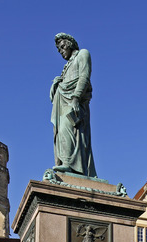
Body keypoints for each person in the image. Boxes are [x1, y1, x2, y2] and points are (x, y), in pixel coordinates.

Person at [50, 33, 97, 177]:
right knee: (60, 134)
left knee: (67, 128)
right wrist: (56, 84)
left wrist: (76, 97)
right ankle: (67, 164)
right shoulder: (66, 67)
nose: (61, 51)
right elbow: (54, 96)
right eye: (59, 50)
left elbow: (84, 76)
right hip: (63, 104)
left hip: (75, 103)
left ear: (69, 44)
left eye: (62, 47)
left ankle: (70, 164)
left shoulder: (83, 54)